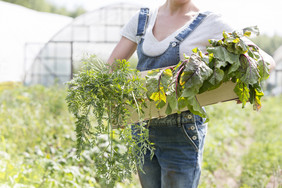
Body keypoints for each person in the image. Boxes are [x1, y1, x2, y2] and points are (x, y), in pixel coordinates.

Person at [107, 0, 275, 187]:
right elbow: (110, 70)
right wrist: (119, 108)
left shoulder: (210, 22)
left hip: (182, 131)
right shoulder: (142, 20)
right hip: (142, 129)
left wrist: (236, 83)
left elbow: (266, 61)